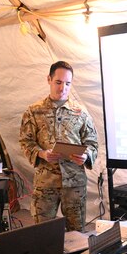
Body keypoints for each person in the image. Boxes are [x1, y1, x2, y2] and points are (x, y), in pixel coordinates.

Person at [19, 61, 98, 232]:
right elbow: (26, 141)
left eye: (68, 83)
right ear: (49, 79)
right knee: (43, 232)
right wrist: (41, 154)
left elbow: (92, 143)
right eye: (58, 82)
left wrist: (86, 156)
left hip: (74, 183)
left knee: (76, 233)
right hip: (46, 182)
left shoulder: (81, 112)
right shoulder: (33, 111)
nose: (63, 88)